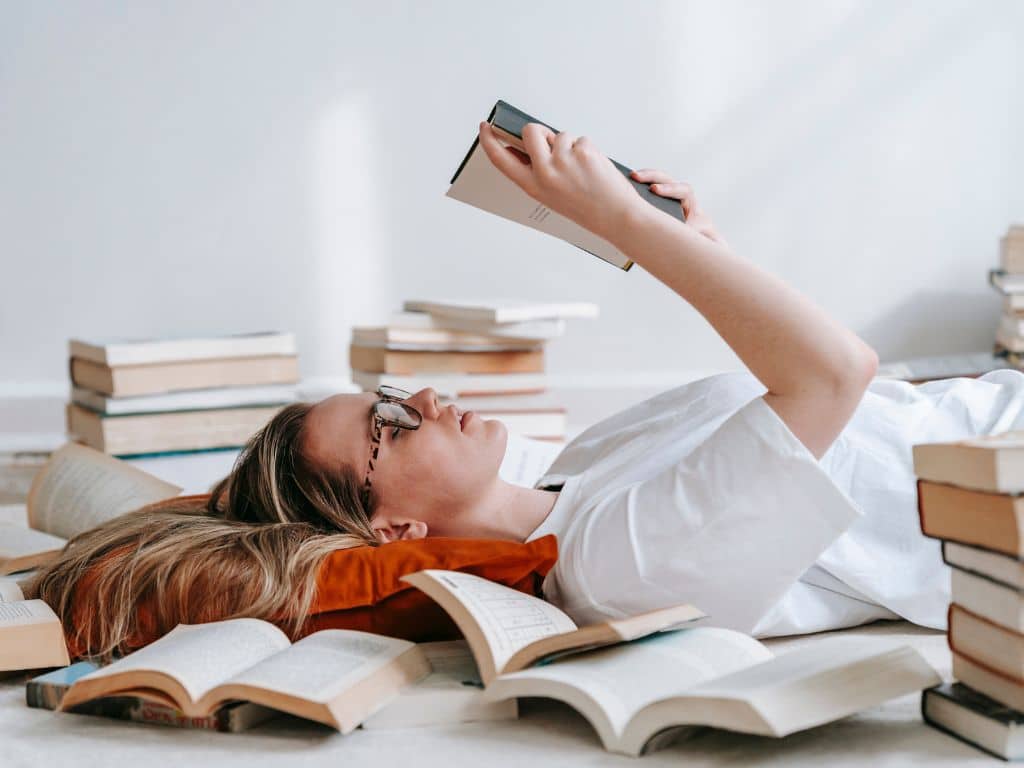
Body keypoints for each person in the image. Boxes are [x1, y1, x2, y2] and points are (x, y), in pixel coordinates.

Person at [31, 120, 1023, 658]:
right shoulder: (617, 563)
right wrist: (631, 229)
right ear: (392, 531)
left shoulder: (573, 473)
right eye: (389, 427)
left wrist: (695, 243)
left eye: (394, 394)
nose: (423, 400)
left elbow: (808, 402)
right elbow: (832, 375)